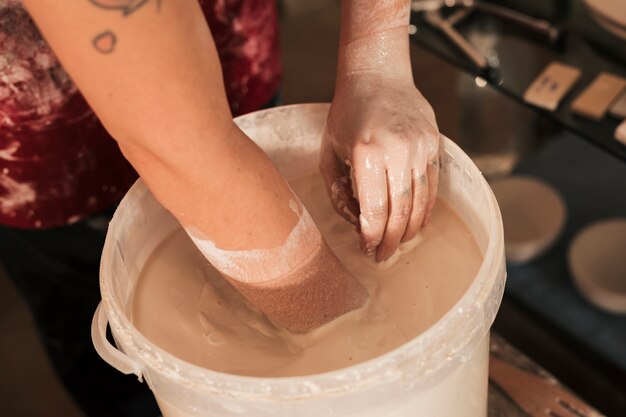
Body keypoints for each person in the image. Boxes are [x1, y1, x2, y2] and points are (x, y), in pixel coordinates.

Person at [0, 0, 440, 416]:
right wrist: (342, 332)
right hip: (47, 145)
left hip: (227, 37)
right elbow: (180, 148)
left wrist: (374, 60)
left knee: (251, 140)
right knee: (107, 344)